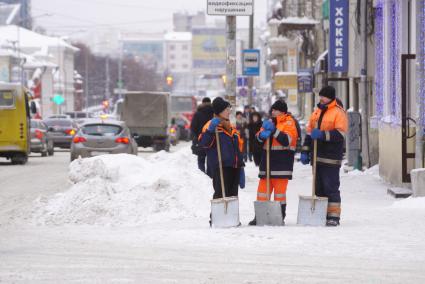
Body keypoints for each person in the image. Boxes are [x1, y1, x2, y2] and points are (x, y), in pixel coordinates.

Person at [300, 86, 348, 226]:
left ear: (330, 97)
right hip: (317, 157)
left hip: (331, 158)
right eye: (320, 96)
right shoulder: (316, 113)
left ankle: (333, 216)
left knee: (331, 187)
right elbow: (309, 134)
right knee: (318, 188)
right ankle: (321, 214)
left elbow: (340, 134)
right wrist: (305, 150)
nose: (321, 98)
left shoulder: (338, 113)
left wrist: (322, 135)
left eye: (324, 96)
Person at [248, 100, 298, 225]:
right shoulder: (268, 123)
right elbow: (257, 139)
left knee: (279, 194)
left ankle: (279, 216)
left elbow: (287, 140)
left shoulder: (289, 123)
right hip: (266, 165)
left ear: (282, 111)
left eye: (275, 110)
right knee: (262, 192)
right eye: (272, 110)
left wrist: (274, 131)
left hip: (282, 165)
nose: (272, 112)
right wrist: (260, 137)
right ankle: (260, 216)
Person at [198, 97, 245, 208]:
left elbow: (238, 148)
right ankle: (216, 219)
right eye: (226, 109)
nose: (229, 112)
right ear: (220, 111)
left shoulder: (231, 127)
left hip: (234, 167)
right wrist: (210, 131)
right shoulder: (211, 126)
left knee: (233, 197)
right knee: (220, 196)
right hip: (220, 167)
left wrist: (241, 166)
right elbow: (203, 144)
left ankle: (232, 220)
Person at [190, 97, 214, 177]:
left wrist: (195, 138)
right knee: (210, 159)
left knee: (201, 158)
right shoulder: (214, 113)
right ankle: (210, 175)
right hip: (212, 140)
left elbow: (193, 127)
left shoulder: (198, 113)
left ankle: (202, 175)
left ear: (202, 103)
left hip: (200, 139)